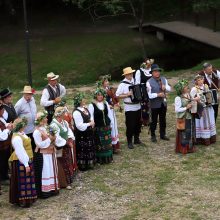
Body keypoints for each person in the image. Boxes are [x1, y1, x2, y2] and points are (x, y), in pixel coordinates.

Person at [9, 117, 37, 207]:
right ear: (21, 126)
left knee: (28, 180)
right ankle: (23, 201)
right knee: (23, 181)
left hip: (27, 158)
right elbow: (20, 151)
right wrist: (26, 164)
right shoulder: (16, 137)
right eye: (24, 124)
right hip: (21, 161)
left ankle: (29, 198)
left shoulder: (22, 133)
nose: (26, 126)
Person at [33, 111, 59, 198]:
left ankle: (52, 188)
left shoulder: (48, 128)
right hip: (43, 155)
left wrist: (54, 138)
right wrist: (49, 140)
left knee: (51, 170)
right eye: (45, 118)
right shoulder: (37, 132)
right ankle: (44, 191)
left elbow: (54, 137)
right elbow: (39, 144)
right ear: (41, 120)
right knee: (45, 171)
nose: (47, 119)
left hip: (50, 153)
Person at [116, 67, 142, 149]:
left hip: (138, 106)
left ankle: (137, 139)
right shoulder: (122, 84)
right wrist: (127, 94)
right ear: (126, 75)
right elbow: (117, 95)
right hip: (129, 107)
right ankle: (129, 141)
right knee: (130, 125)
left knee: (138, 123)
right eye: (129, 74)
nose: (131, 75)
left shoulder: (135, 81)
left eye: (131, 73)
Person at [50, 107, 75, 189]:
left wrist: (71, 139)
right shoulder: (54, 125)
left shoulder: (64, 122)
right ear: (60, 115)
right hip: (59, 147)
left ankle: (69, 180)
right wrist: (67, 143)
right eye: (64, 113)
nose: (65, 114)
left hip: (66, 146)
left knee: (67, 162)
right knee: (61, 163)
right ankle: (63, 182)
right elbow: (57, 138)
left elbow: (69, 131)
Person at [147, 64, 171, 142]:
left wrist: (165, 88)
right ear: (152, 73)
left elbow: (169, 88)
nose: (157, 73)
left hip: (163, 103)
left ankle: (162, 134)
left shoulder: (163, 79)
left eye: (158, 71)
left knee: (162, 119)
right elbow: (149, 95)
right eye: (155, 71)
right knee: (153, 120)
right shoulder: (149, 82)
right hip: (154, 104)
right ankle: (153, 135)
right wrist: (158, 94)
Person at [88, 87, 113, 164]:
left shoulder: (105, 103)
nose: (100, 96)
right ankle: (100, 159)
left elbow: (109, 114)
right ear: (96, 96)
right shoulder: (92, 105)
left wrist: (111, 123)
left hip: (106, 127)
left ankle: (108, 158)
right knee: (100, 143)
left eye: (101, 95)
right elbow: (91, 116)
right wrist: (92, 124)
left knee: (107, 143)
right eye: (98, 95)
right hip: (98, 127)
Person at [190, 74, 216, 145]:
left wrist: (211, 100)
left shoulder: (206, 86)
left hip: (208, 108)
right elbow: (191, 98)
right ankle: (203, 139)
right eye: (198, 80)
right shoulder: (194, 89)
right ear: (196, 81)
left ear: (203, 80)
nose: (200, 81)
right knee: (203, 123)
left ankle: (211, 137)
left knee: (210, 121)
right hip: (201, 109)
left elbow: (209, 95)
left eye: (201, 79)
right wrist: (196, 100)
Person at [72, 93, 96, 170]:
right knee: (83, 149)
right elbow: (79, 126)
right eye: (82, 99)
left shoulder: (84, 108)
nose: (84, 100)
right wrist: (90, 124)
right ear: (79, 101)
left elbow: (90, 115)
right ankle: (83, 165)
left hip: (88, 133)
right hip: (82, 135)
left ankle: (90, 163)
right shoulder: (76, 112)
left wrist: (92, 121)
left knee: (89, 148)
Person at [174, 79, 197, 154]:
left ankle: (190, 147)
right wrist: (186, 107)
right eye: (185, 86)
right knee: (185, 133)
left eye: (187, 86)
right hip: (183, 118)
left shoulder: (188, 95)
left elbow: (191, 102)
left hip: (190, 116)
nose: (187, 87)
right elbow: (177, 109)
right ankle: (183, 148)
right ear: (181, 89)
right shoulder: (178, 98)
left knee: (190, 131)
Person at [0, 88, 17, 182]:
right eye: (9, 96)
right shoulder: (3, 108)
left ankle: (6, 172)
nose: (11, 98)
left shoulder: (10, 105)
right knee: (4, 156)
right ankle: (3, 175)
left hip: (11, 132)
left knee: (8, 153)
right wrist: (9, 126)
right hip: (5, 134)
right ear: (4, 98)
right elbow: (5, 121)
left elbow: (14, 116)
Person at [101, 75, 120, 153]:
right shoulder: (101, 91)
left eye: (107, 81)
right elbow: (101, 101)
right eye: (105, 81)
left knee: (114, 125)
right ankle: (111, 145)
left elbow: (112, 97)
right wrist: (108, 105)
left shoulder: (108, 89)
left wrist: (116, 103)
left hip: (111, 109)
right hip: (106, 110)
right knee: (111, 125)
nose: (107, 82)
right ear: (102, 83)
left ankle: (115, 144)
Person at [15, 86, 37, 152]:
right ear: (23, 94)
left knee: (34, 147)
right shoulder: (19, 104)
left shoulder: (33, 100)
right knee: (27, 149)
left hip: (34, 128)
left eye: (30, 94)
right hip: (25, 131)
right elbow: (15, 116)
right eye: (27, 94)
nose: (29, 96)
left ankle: (35, 161)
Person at [135, 59, 154, 127]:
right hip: (143, 90)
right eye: (148, 64)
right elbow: (137, 83)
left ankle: (152, 119)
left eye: (150, 64)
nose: (149, 66)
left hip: (152, 90)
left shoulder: (151, 70)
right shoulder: (139, 71)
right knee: (144, 106)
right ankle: (145, 120)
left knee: (152, 104)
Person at [0, 103, 13, 194]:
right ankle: (2, 178)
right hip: (1, 146)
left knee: (4, 161)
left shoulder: (1, 119)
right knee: (1, 162)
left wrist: (8, 125)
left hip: (5, 146)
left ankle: (5, 175)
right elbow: (1, 136)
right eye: (2, 110)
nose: (4, 111)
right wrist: (8, 129)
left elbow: (5, 124)